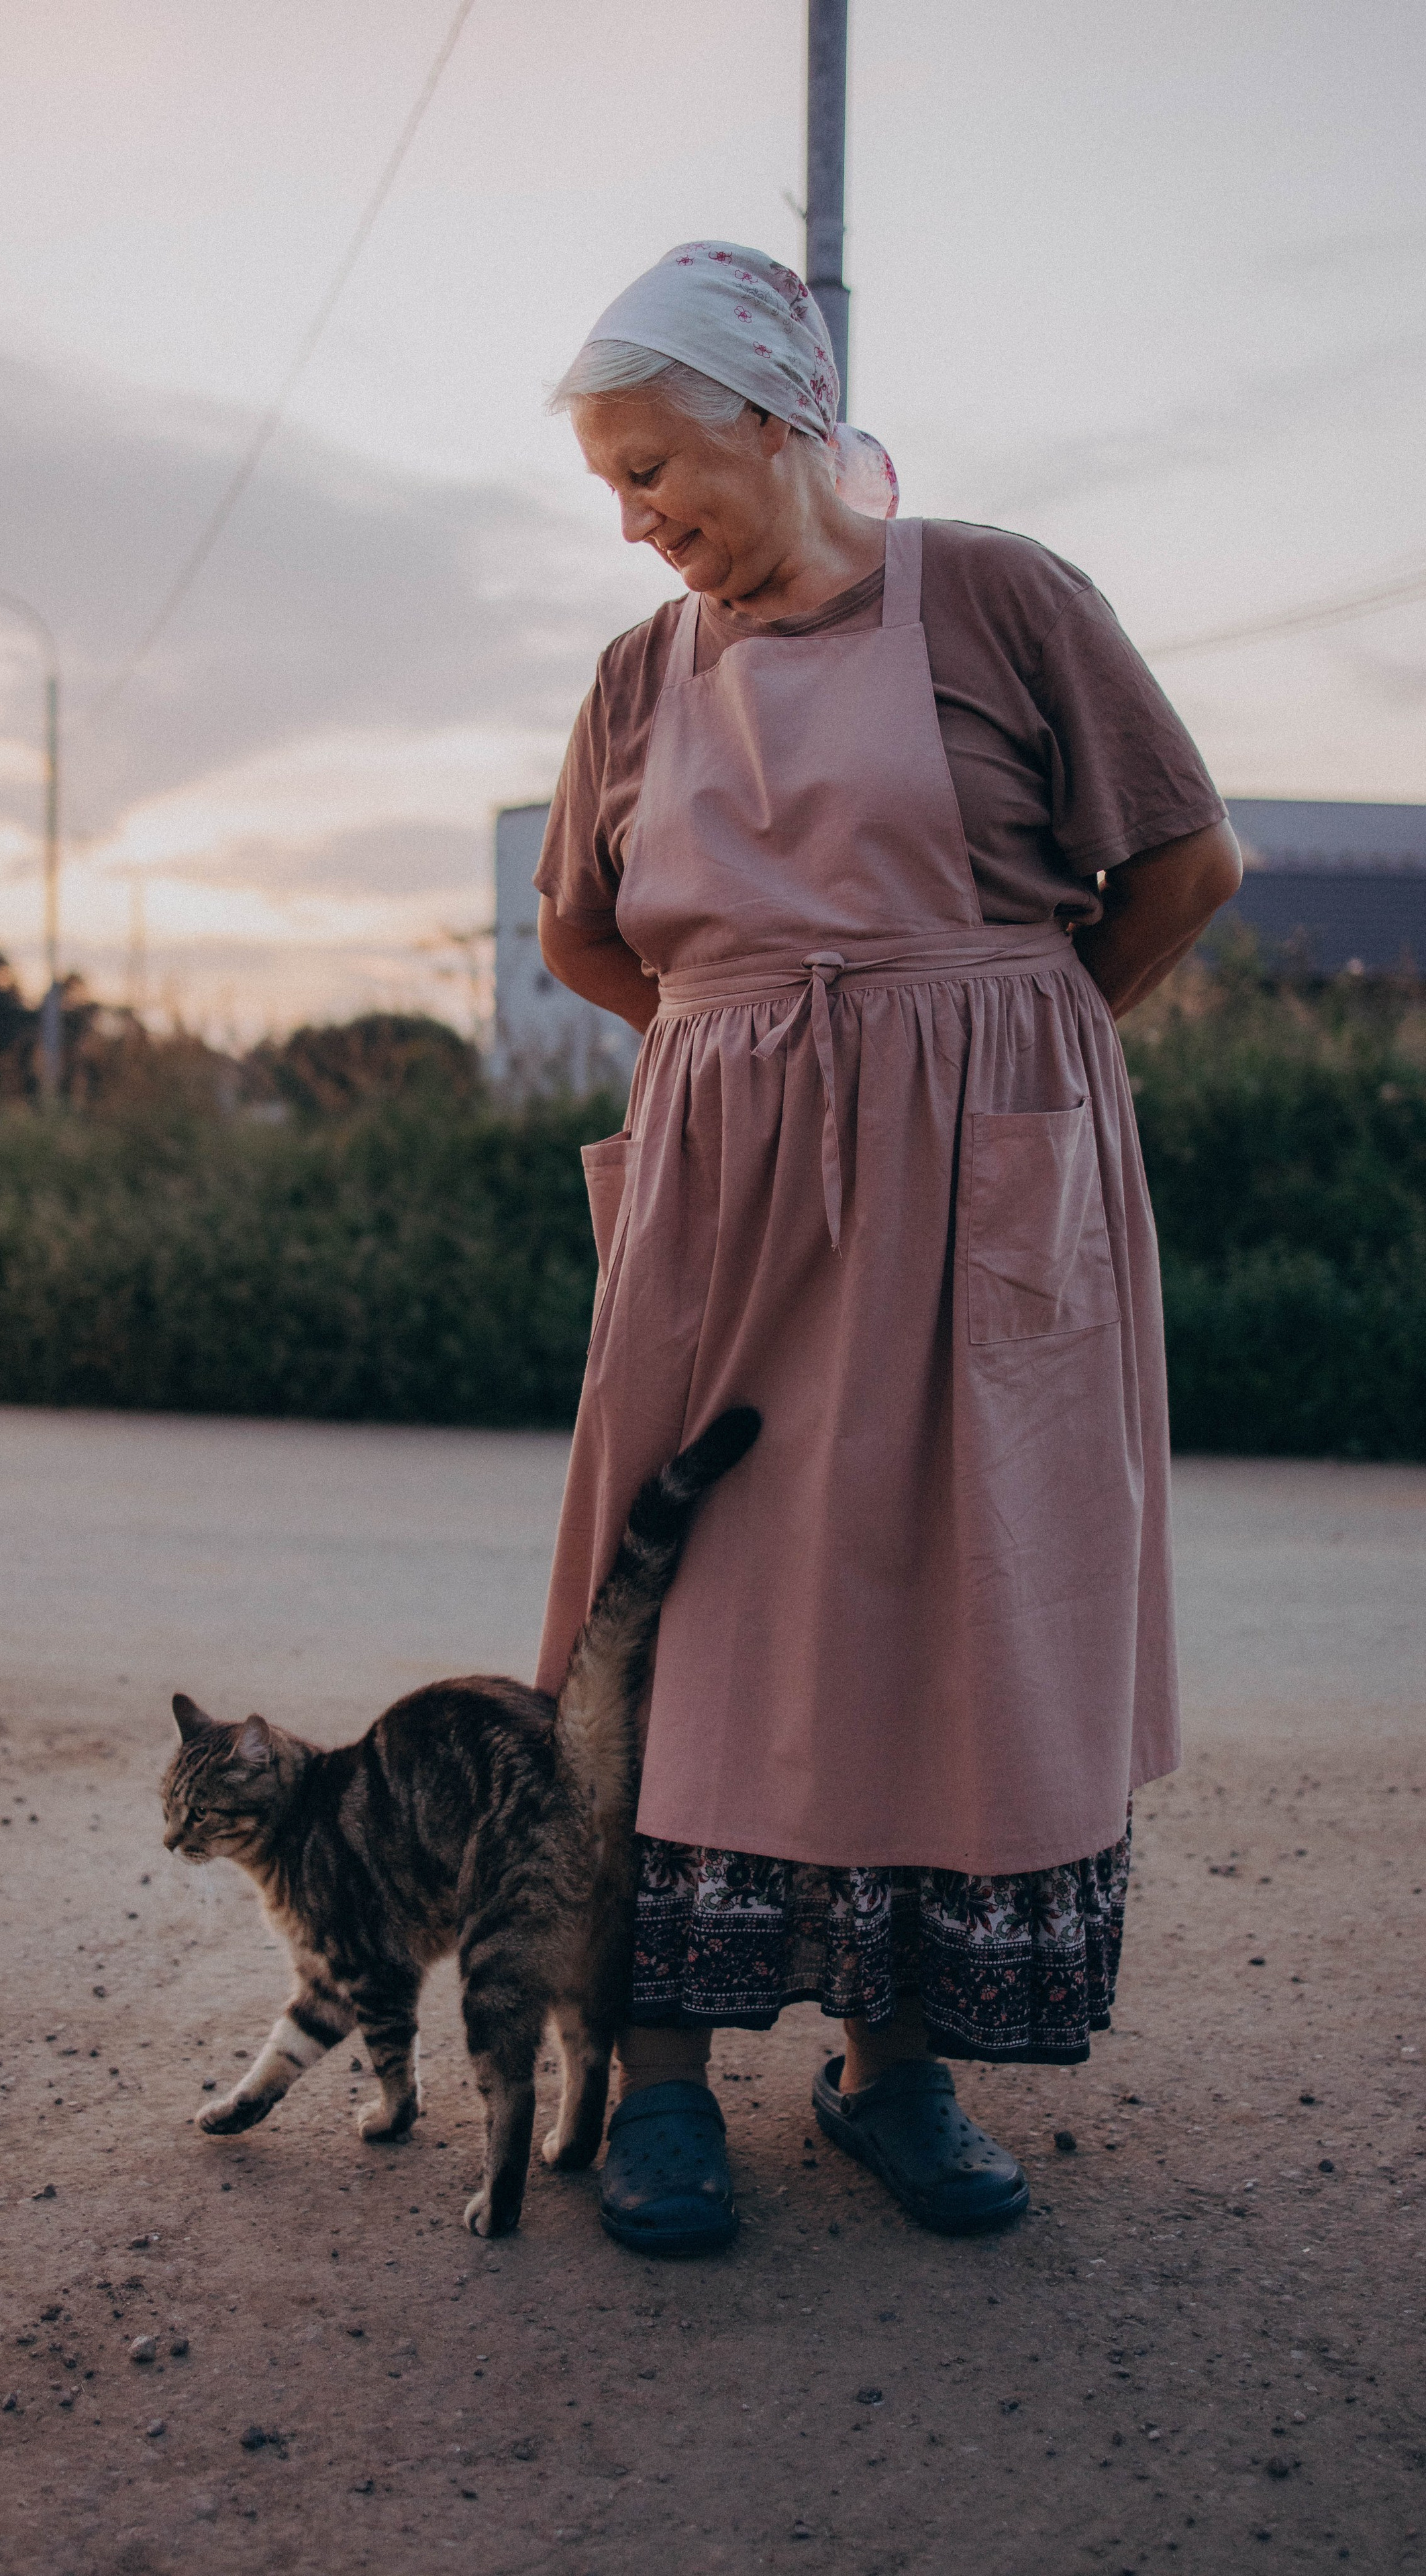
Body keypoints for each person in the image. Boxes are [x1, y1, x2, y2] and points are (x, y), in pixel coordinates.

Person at [531, 241, 1242, 2254]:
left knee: (950, 1587)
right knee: (672, 1587)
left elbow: (1185, 857)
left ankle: (892, 2071)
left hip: (985, 1170)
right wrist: (747, 1061)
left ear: (778, 424)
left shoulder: (1002, 596)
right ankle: (657, 2080)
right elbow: (585, 932)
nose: (634, 513)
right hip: (726, 1181)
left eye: (655, 465)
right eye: (608, 483)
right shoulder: (636, 676)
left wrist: (1004, 1044)